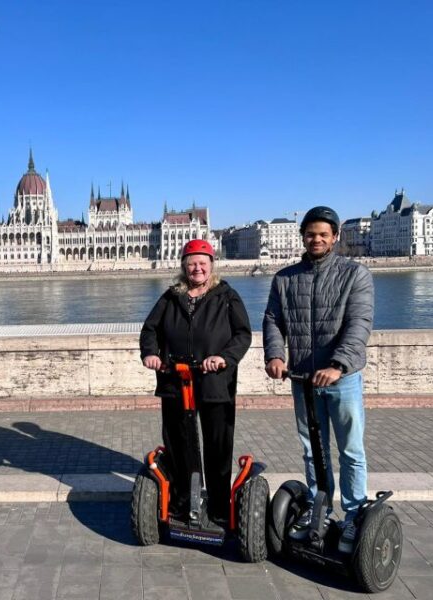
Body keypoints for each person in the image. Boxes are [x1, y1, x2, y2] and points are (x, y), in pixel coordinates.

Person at [262, 206, 374, 554]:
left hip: (341, 379)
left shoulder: (355, 275)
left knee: (350, 451)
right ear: (303, 237)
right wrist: (275, 355)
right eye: (311, 234)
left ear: (335, 237)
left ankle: (354, 514)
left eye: (324, 234)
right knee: (313, 451)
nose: (317, 239)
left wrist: (339, 365)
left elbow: (359, 325)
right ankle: (319, 508)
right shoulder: (284, 278)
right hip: (304, 379)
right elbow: (272, 320)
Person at [140, 239, 252, 526]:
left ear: (212, 265)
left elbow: (242, 334)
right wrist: (151, 354)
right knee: (179, 443)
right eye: (191, 263)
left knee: (217, 445)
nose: (197, 268)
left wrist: (224, 358)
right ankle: (182, 501)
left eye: (202, 262)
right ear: (183, 266)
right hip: (175, 380)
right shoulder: (170, 297)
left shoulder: (226, 296)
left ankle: (217, 506)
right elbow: (149, 329)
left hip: (215, 381)